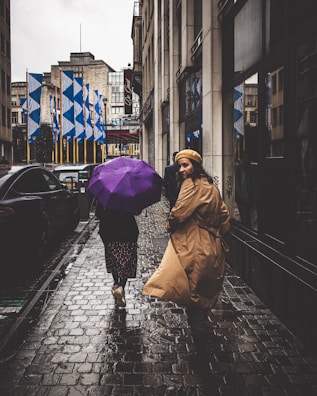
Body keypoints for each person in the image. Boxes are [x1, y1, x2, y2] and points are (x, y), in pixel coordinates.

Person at [143, 149, 230, 377]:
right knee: (203, 297)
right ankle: (204, 345)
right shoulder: (211, 186)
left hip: (195, 249)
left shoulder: (191, 185)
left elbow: (179, 213)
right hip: (214, 248)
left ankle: (202, 354)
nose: (182, 170)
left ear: (195, 166)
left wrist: (170, 223)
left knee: (195, 304)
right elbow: (225, 217)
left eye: (185, 165)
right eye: (180, 166)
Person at [96, 203, 139, 308]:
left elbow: (98, 214)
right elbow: (137, 211)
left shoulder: (105, 197)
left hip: (110, 233)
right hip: (128, 233)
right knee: (126, 264)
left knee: (114, 261)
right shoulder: (129, 195)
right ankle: (121, 287)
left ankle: (116, 283)